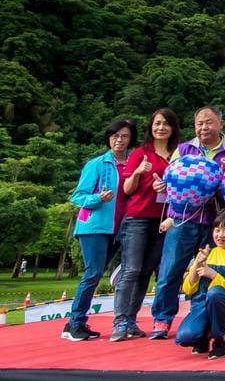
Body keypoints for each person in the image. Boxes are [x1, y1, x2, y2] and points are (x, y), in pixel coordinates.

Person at [150, 105, 225, 339]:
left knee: (207, 271)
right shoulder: (183, 149)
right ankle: (162, 319)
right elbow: (171, 178)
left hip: (217, 222)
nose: (203, 127)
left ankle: (200, 317)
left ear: (221, 124)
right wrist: (162, 186)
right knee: (170, 270)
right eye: (199, 123)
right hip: (181, 220)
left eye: (209, 122)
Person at [112, 107, 181, 341]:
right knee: (130, 270)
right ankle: (120, 322)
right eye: (157, 123)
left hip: (165, 219)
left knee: (146, 272)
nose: (161, 128)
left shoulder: (179, 154)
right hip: (138, 217)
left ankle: (131, 320)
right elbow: (126, 189)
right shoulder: (140, 153)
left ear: (173, 128)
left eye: (166, 124)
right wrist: (138, 173)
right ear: (151, 127)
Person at [63, 118, 135, 342]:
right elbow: (77, 196)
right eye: (115, 136)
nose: (119, 140)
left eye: (124, 136)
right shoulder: (97, 164)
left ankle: (74, 323)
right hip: (94, 226)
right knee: (92, 273)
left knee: (96, 274)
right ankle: (75, 323)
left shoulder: (132, 163)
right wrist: (97, 199)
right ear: (108, 139)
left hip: (118, 228)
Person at [174, 209, 225, 359]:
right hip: (201, 306)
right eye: (217, 230)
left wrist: (213, 275)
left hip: (223, 307)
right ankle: (203, 336)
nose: (220, 235)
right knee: (184, 337)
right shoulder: (208, 252)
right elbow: (188, 289)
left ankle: (219, 340)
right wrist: (196, 266)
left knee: (215, 293)